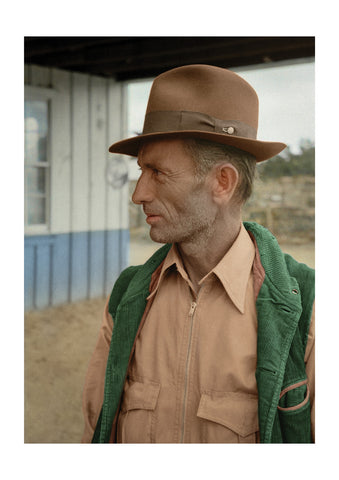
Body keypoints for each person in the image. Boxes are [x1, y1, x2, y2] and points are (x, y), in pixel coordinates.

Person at [82, 64, 315, 444]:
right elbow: (96, 430)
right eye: (141, 170)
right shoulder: (128, 298)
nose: (138, 193)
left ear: (222, 182)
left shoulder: (306, 309)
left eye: (158, 172)